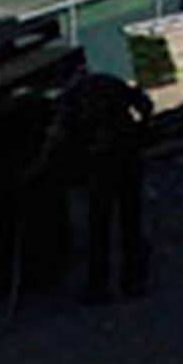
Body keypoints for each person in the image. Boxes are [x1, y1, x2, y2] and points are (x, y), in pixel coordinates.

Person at [61, 66, 154, 301]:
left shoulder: (71, 97)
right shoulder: (111, 81)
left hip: (100, 163)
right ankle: (134, 281)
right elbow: (145, 105)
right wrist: (139, 133)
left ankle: (98, 285)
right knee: (131, 220)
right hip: (128, 157)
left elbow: (64, 134)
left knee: (99, 225)